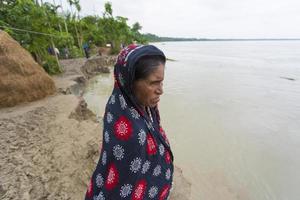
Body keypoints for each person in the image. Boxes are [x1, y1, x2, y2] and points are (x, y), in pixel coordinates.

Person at [84, 44, 174, 200]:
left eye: (161, 82)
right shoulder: (132, 134)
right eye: (154, 83)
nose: (161, 90)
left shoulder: (120, 103)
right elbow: (122, 189)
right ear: (130, 82)